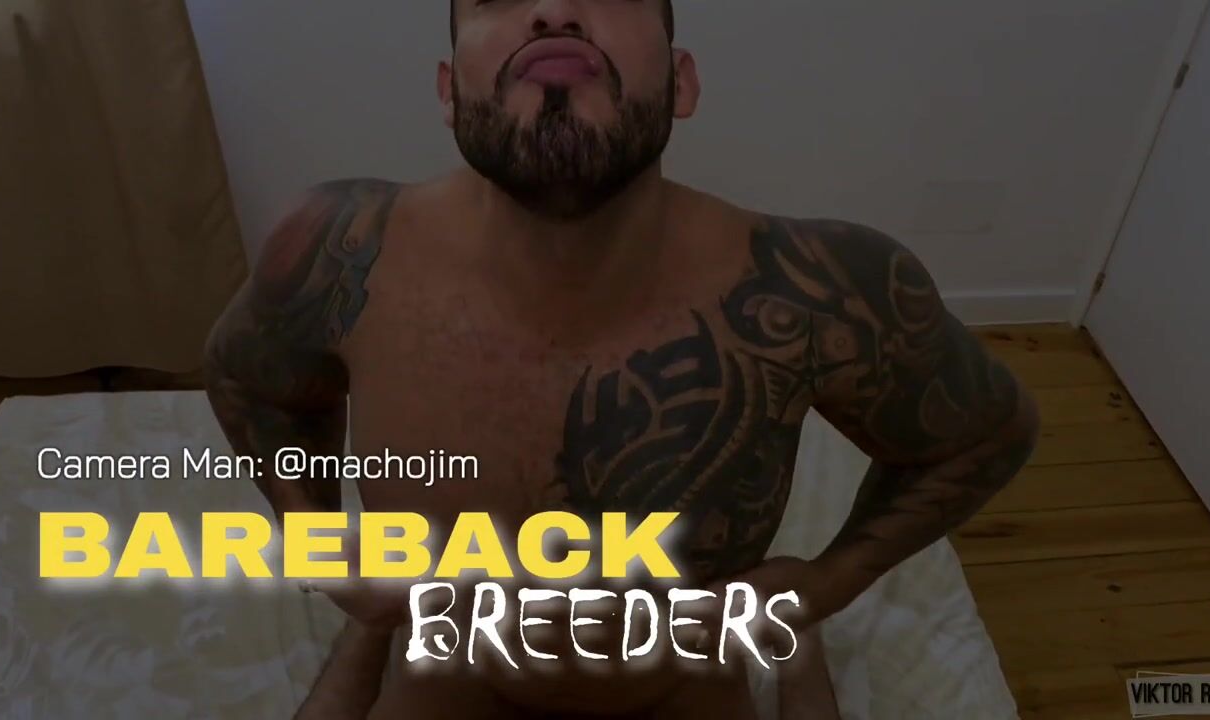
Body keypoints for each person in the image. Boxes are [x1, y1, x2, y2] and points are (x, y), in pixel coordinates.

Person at [203, 1, 1041, 717]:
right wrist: (315, 537)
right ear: (449, 92)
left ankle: (801, 652)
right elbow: (249, 379)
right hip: (453, 664)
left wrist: (826, 583)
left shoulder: (818, 285)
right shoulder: (339, 250)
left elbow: (984, 436)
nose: (555, 9)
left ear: (681, 84)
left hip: (677, 683)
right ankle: (368, 636)